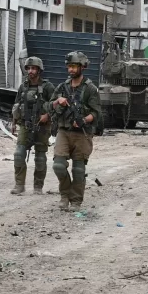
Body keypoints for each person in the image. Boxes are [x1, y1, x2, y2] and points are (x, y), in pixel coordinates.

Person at [49, 51, 101, 211]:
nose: (71, 70)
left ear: (82, 67)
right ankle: (65, 195)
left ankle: (76, 200)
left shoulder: (90, 88)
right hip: (63, 131)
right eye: (69, 66)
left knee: (78, 169)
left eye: (74, 66)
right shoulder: (62, 87)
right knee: (58, 165)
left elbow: (96, 113)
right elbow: (48, 105)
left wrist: (84, 120)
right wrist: (58, 101)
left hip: (81, 134)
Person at [10, 57, 56, 195]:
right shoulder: (23, 86)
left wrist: (47, 115)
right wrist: (13, 122)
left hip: (42, 126)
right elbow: (16, 105)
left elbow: (55, 105)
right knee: (19, 154)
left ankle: (38, 186)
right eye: (29, 68)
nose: (31, 71)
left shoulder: (47, 87)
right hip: (25, 124)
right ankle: (19, 185)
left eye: (34, 68)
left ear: (39, 70)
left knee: (40, 157)